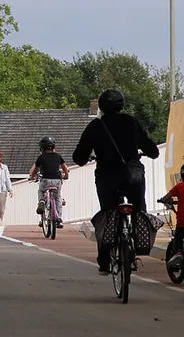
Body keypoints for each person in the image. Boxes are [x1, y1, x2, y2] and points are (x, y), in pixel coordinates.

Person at [73, 89, 160, 275]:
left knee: (108, 214)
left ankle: (104, 262)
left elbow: (79, 157)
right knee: (138, 208)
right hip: (132, 176)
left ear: (102, 106)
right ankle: (138, 243)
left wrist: (87, 157)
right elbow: (153, 150)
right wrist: (146, 152)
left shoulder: (96, 126)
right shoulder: (131, 122)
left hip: (107, 177)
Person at [29, 136, 69, 228]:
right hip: (57, 180)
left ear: (41, 148)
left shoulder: (41, 157)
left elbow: (35, 170)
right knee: (58, 198)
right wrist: (66, 175)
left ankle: (42, 201)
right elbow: (64, 167)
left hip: (45, 180)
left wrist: (32, 177)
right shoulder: (58, 156)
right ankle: (59, 219)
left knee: (41, 191)